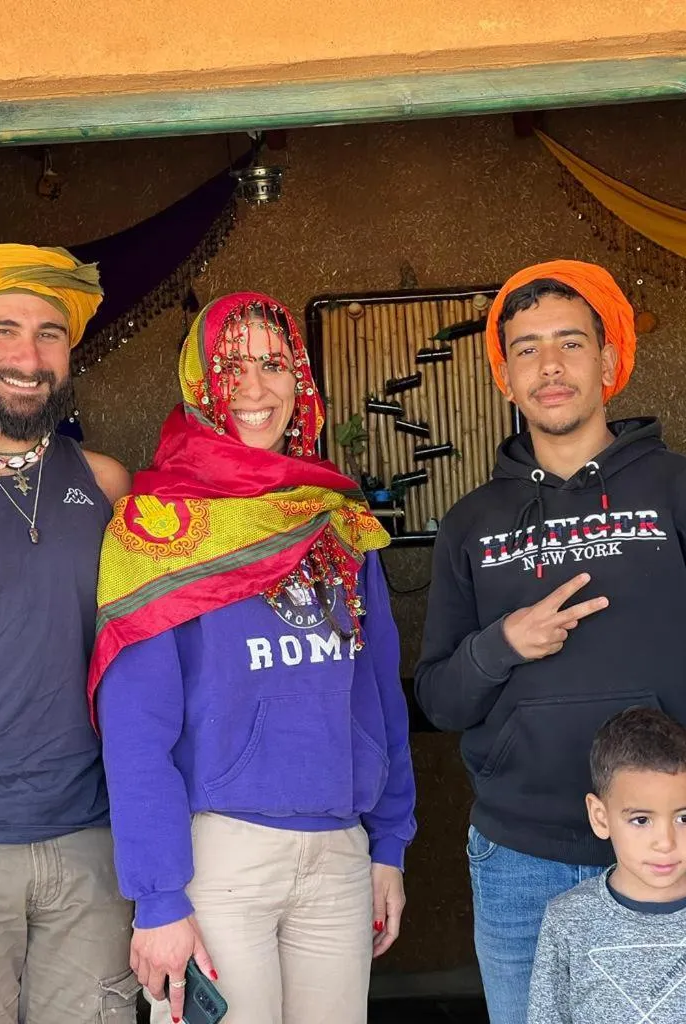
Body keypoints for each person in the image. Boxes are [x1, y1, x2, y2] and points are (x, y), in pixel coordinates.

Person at [89, 292, 417, 1024]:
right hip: (220, 857)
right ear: (200, 383)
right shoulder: (156, 527)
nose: (254, 388)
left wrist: (388, 844)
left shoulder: (336, 517)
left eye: (274, 365)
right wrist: (158, 897)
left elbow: (377, 697)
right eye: (230, 367)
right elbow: (137, 731)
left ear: (300, 380)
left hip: (340, 851)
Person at [414, 259, 686, 1024]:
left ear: (608, 362)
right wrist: (502, 643)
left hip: (669, 848)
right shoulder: (470, 525)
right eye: (527, 348)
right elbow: (438, 699)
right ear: (504, 378)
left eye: (570, 343)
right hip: (519, 855)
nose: (549, 365)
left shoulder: (683, 492)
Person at [0, 243, 136, 1024]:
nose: (28, 356)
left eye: (50, 333)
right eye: (3, 330)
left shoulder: (105, 485)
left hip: (92, 840)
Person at [528, 707, 686, 1024]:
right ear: (600, 817)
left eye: (684, 818)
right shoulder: (568, 920)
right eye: (641, 820)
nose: (665, 842)